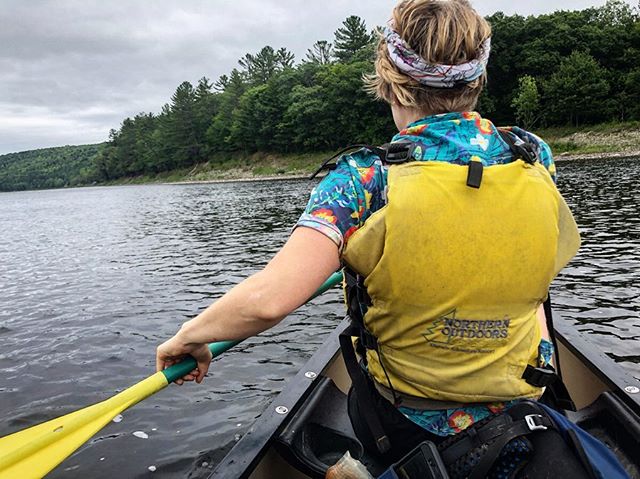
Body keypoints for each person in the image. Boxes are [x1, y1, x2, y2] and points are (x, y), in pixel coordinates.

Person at [156, 1, 621, 477]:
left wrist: (189, 338)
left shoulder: (364, 178)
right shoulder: (533, 154)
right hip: (524, 388)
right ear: (477, 76)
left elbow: (268, 302)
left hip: (404, 415)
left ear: (389, 78)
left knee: (366, 389)